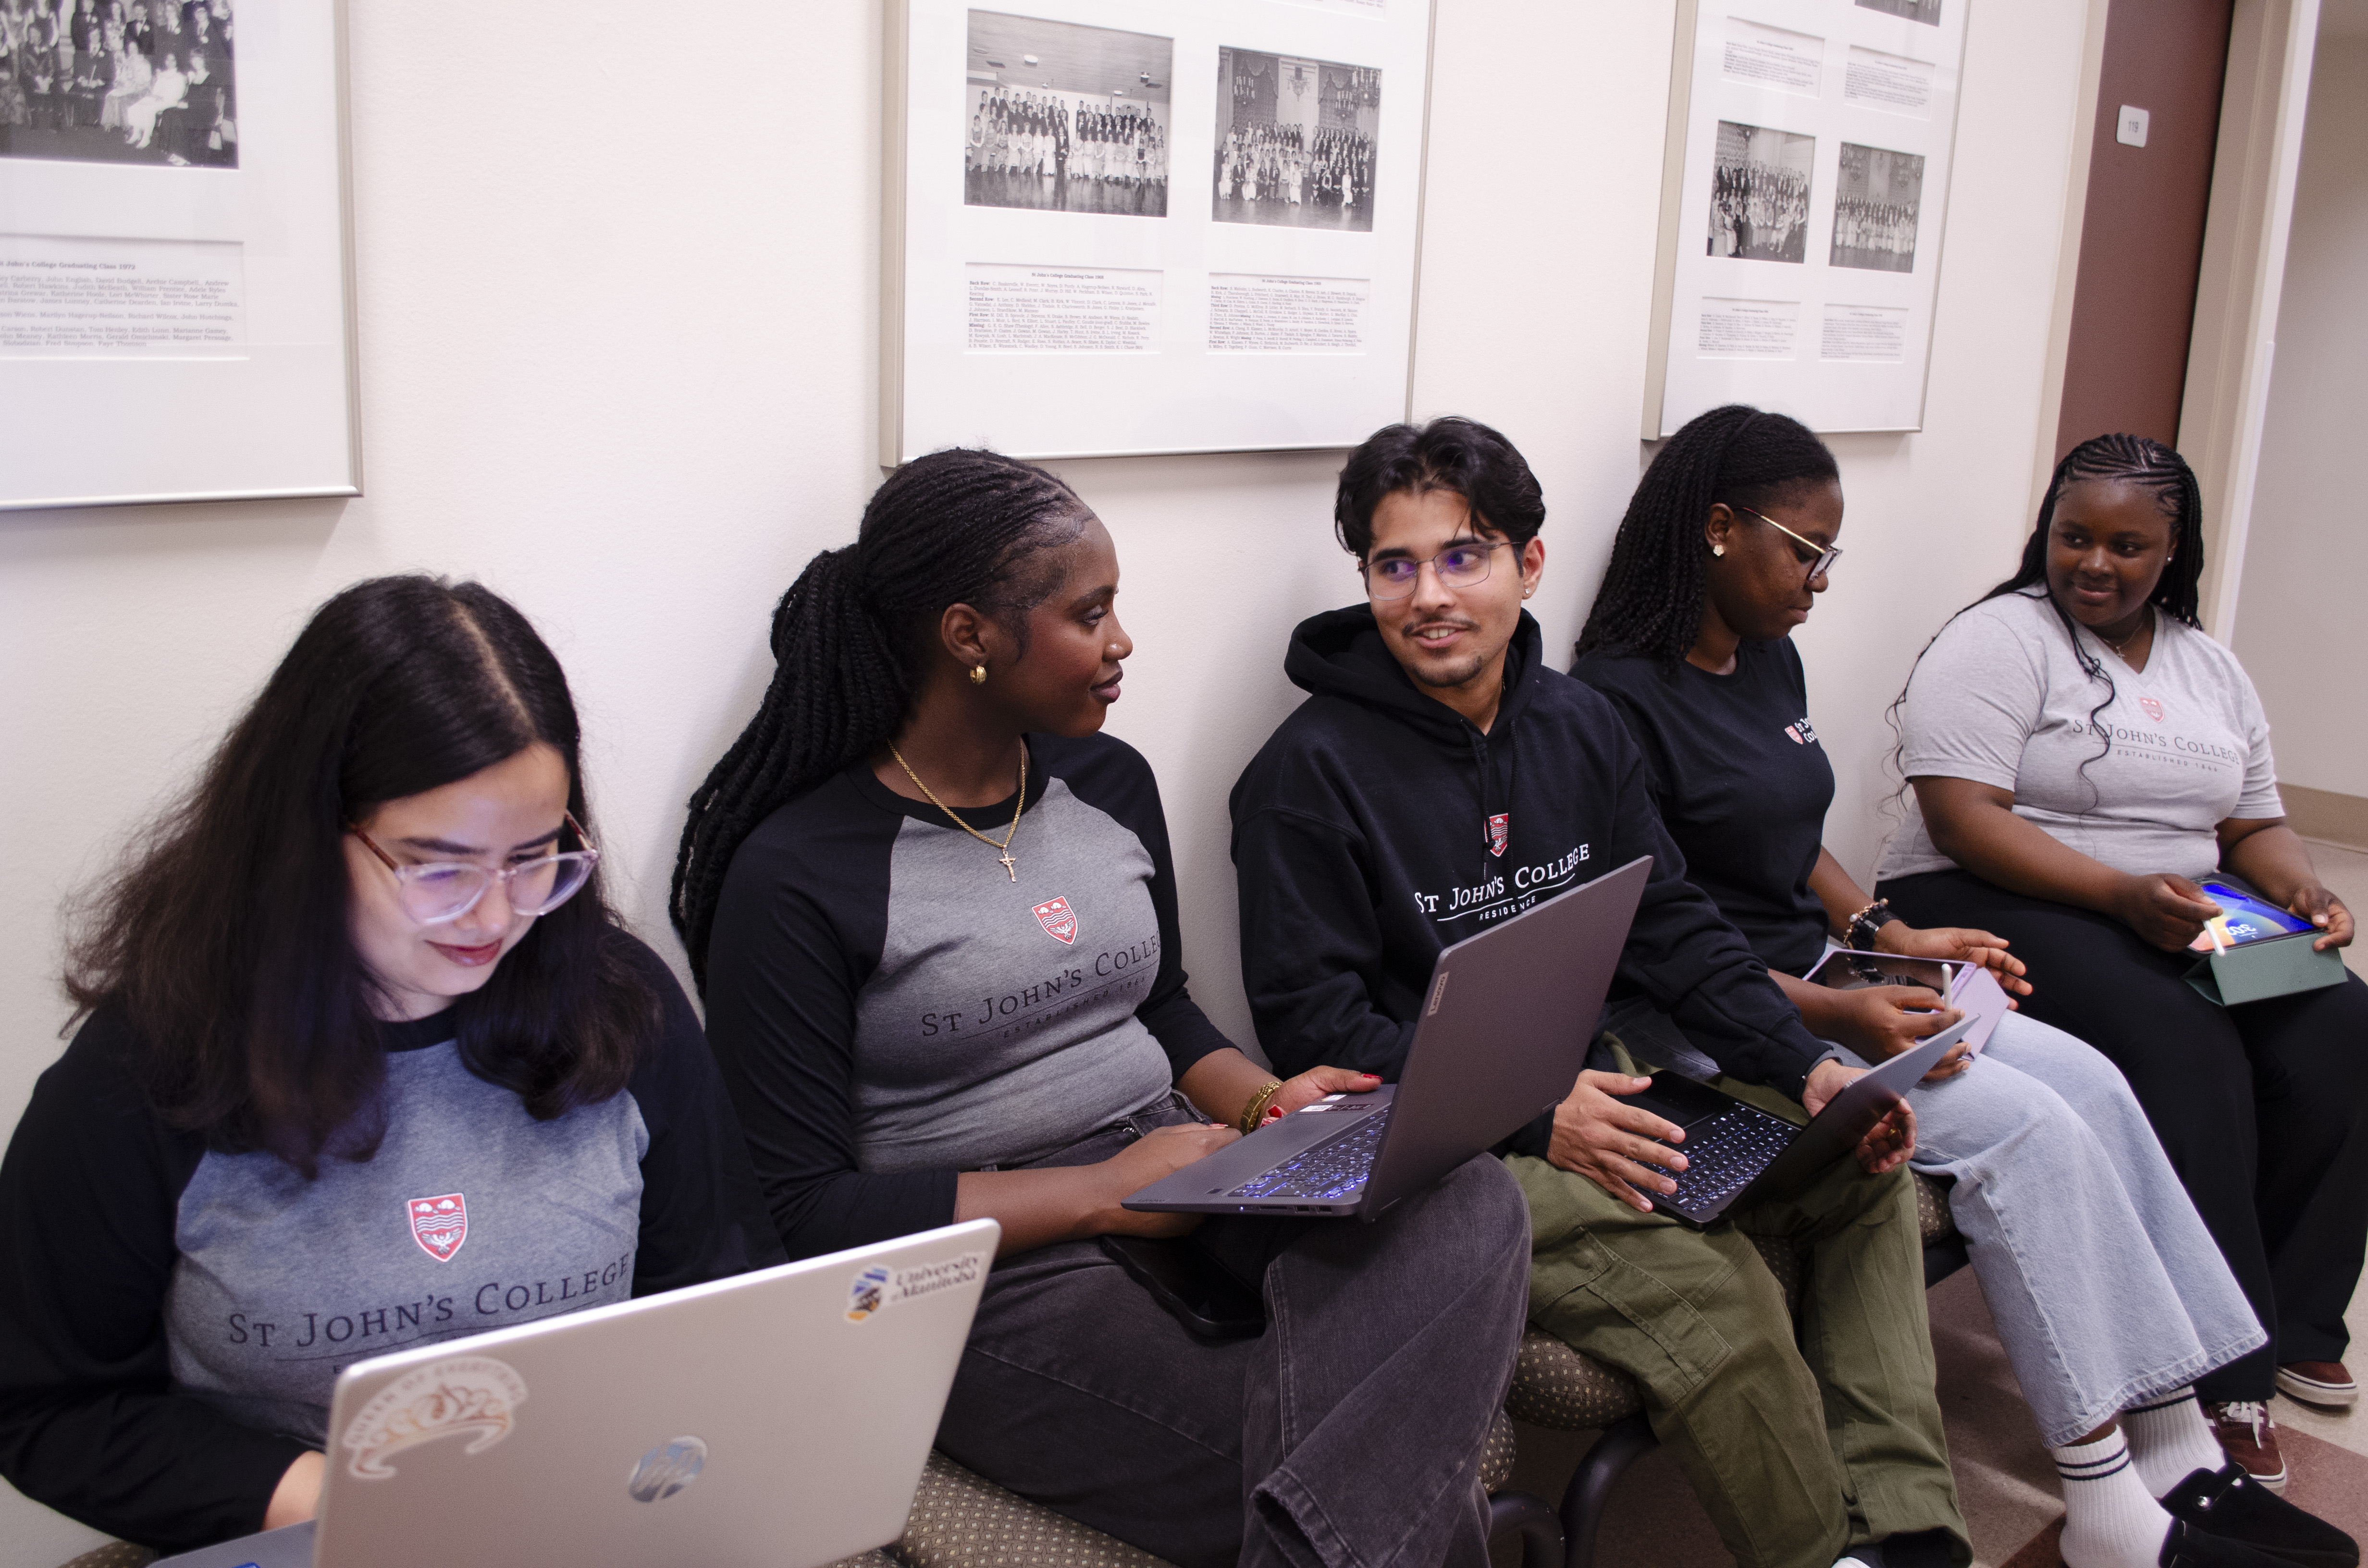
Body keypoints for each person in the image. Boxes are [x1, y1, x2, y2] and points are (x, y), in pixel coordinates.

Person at [672, 449, 1531, 1568]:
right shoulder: (798, 873)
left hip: (1191, 1168)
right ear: (970, 635)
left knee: (1469, 1195)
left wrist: (1268, 1103)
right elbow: (800, 1215)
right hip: (979, 1271)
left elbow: (1161, 1004)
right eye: (1091, 613)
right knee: (1357, 1459)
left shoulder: (1107, 783)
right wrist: (1098, 1196)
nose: (1123, 641)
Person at [1571, 406, 2353, 1568]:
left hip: (1834, 980)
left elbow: (1795, 846)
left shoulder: (1764, 655)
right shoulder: (1609, 704)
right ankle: (2102, 1504)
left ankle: (2175, 1448)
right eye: (1809, 550)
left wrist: (1892, 930)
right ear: (1721, 531)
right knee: (2024, 1130)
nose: (1823, 581)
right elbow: (1656, 940)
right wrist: (1842, 1009)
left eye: (1834, 555)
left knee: (2093, 1083)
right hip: (1724, 1024)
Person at [1230, 417, 1968, 1568]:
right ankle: (1821, 1554)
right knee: (1711, 1290)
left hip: (1612, 1081)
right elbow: (1321, 1035)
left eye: (1462, 555)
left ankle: (1910, 1538)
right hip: (1456, 1153)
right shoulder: (1302, 780)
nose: (1428, 594)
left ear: (1529, 565)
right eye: (1394, 563)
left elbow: (1669, 923)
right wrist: (1539, 1114)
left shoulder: (1580, 725)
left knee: (1862, 1164)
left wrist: (1805, 1063)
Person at [0, 576, 777, 1556]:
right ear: (308, 839)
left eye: (535, 856)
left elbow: (725, 1302)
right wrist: (344, 1501)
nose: (496, 917)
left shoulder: (622, 1007)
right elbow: (49, 1411)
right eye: (438, 867)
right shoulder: (147, 1070)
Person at [1876, 433, 2368, 1488]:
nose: (2092, 563)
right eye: (2072, 537)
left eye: (2125, 545)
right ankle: (2214, 1369)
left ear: (2172, 551)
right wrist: (2117, 896)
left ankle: (2291, 1313)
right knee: (2183, 1044)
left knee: (2339, 1026)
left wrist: (2302, 891)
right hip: (1995, 893)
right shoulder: (1998, 639)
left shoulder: (2207, 664)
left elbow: (2254, 824)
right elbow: (1960, 820)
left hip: (2178, 903)